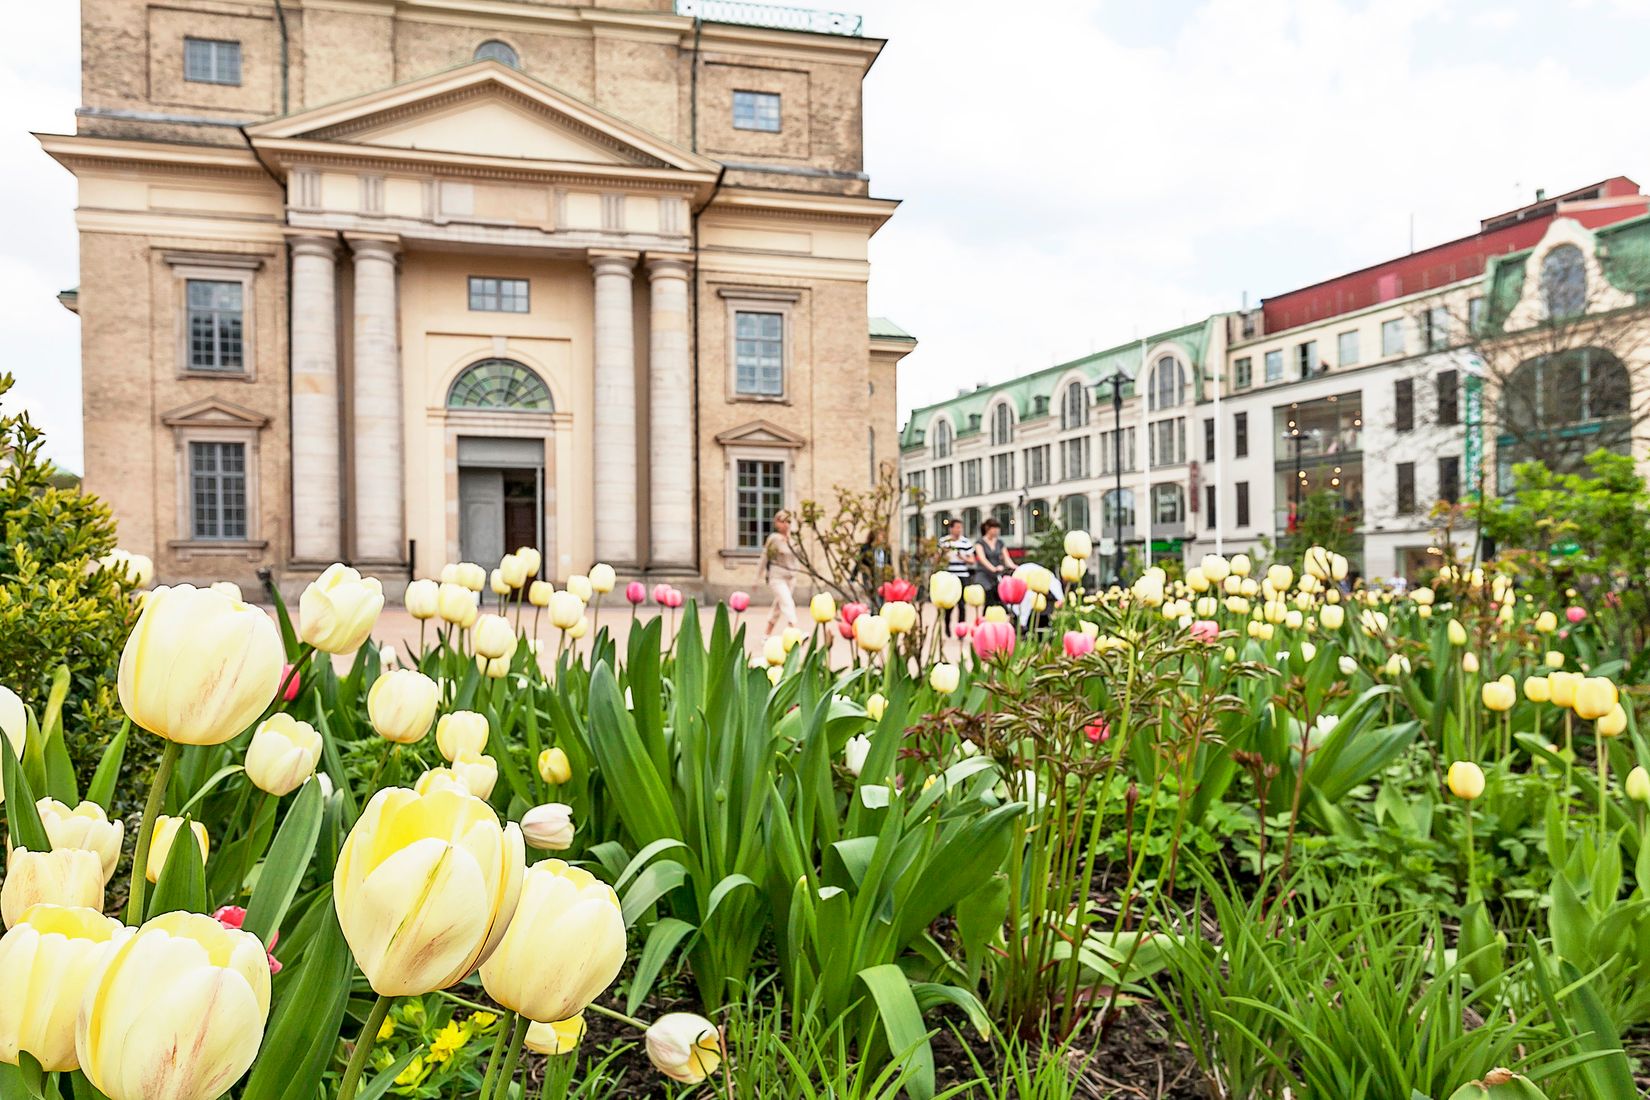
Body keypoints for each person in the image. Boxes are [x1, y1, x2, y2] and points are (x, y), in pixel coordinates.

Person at [760, 509, 800, 635]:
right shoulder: (774, 539)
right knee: (788, 603)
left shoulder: (794, 540)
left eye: (788, 521)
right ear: (776, 523)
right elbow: (764, 557)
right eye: (782, 521)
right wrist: (758, 576)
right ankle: (795, 631)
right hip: (777, 577)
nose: (786, 524)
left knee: (778, 607)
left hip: (790, 578)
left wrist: (796, 572)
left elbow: (797, 559)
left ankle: (766, 634)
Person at [938, 518, 974, 628]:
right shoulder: (944, 542)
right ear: (951, 529)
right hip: (949, 576)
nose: (959, 530)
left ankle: (961, 628)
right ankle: (947, 626)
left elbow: (972, 560)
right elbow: (936, 559)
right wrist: (943, 553)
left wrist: (963, 558)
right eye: (957, 527)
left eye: (960, 528)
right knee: (949, 603)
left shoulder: (966, 542)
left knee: (962, 604)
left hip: (962, 575)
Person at [973, 519, 1010, 605]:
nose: (997, 531)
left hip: (996, 575)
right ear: (987, 528)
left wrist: (1015, 567)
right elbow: (982, 559)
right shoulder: (979, 542)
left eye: (997, 528)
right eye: (994, 528)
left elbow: (1007, 558)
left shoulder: (1000, 543)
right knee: (988, 596)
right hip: (984, 574)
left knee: (1001, 598)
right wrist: (993, 568)